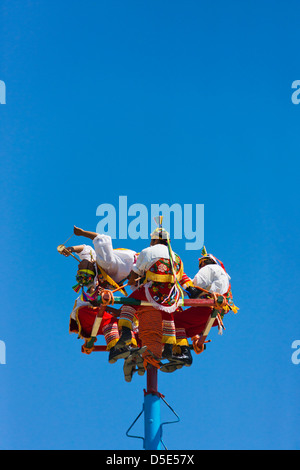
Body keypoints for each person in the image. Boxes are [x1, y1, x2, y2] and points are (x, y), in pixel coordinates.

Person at [114, 225, 194, 369]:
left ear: (154, 240)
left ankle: (126, 333)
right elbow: (181, 277)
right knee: (168, 314)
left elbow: (136, 274)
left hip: (152, 292)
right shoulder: (176, 257)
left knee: (128, 305)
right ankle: (169, 347)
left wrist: (131, 281)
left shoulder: (147, 251)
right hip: (171, 295)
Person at [173, 247, 238, 358]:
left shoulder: (210, 268)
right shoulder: (223, 275)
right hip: (216, 318)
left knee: (172, 322)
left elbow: (197, 284)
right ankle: (182, 352)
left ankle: (182, 352)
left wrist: (182, 281)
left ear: (205, 262)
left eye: (201, 264)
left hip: (206, 310)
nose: (200, 267)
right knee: (185, 331)